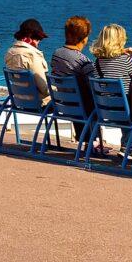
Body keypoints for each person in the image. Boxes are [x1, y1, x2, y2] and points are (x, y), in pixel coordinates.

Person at [46, 16, 115, 158]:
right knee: (91, 98)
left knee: (80, 95)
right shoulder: (83, 61)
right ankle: (94, 142)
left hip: (64, 102)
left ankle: (88, 140)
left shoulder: (56, 54)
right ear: (85, 38)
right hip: (81, 107)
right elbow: (94, 86)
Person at [3, 19, 50, 94]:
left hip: (19, 100)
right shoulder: (32, 55)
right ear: (30, 38)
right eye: (38, 38)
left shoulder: (9, 52)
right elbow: (44, 89)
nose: (39, 42)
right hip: (39, 103)